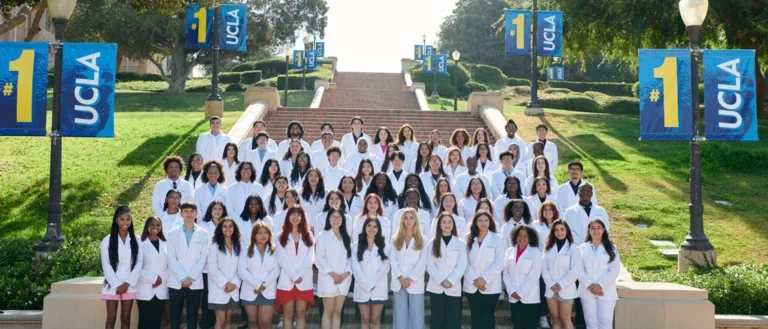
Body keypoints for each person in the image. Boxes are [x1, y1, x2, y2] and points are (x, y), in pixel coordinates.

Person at [167, 202, 209, 329]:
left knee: (193, 317)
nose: (189, 214)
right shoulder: (172, 233)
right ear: (181, 214)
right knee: (174, 317)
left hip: (194, 281)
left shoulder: (204, 233)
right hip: (176, 281)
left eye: (192, 211)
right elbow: (171, 257)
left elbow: (203, 258)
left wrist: (190, 277)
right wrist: (182, 277)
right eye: (186, 211)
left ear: (196, 213)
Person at [101, 205, 142, 329]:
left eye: (128, 219)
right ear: (116, 220)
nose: (125, 222)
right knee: (111, 317)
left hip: (129, 284)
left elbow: (139, 263)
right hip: (112, 284)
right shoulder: (107, 240)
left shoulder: (137, 239)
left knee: (125, 317)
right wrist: (117, 284)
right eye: (122, 219)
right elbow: (106, 263)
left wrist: (127, 283)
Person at [274, 206, 315, 329]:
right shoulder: (280, 235)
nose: (295, 217)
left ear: (303, 217)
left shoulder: (309, 235)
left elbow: (310, 257)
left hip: (304, 279)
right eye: (292, 214)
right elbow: (281, 258)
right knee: (288, 314)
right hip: (287, 280)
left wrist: (300, 275)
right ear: (287, 217)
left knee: (301, 314)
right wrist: (294, 275)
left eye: (298, 214)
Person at [463, 211, 505, 329]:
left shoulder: (497, 238)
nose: (483, 223)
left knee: (488, 318)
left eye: (486, 220)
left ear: (490, 222)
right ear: (475, 222)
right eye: (480, 220)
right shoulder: (468, 237)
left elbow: (500, 262)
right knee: (475, 317)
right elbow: (464, 261)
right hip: (472, 285)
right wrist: (475, 279)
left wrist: (484, 279)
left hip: (490, 285)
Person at [426, 212, 467, 329]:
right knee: (437, 320)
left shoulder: (460, 243)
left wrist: (451, 280)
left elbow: (461, 265)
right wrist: (441, 281)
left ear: (453, 225)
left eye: (450, 222)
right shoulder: (432, 243)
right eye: (444, 222)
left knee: (453, 321)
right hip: (436, 287)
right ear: (439, 225)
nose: (447, 225)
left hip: (453, 287)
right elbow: (430, 265)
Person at [315, 208, 353, 329]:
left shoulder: (346, 237)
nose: (336, 220)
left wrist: (345, 274)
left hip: (343, 279)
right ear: (328, 219)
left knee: (337, 312)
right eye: (333, 217)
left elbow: (350, 259)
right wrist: (333, 274)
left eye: (339, 217)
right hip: (328, 279)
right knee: (328, 312)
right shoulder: (323, 235)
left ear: (343, 220)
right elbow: (319, 258)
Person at [389, 208, 427, 329]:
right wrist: (401, 278)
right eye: (406, 218)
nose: (409, 221)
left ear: (416, 220)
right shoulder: (395, 239)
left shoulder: (423, 239)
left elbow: (423, 262)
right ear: (402, 220)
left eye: (411, 218)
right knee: (400, 315)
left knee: (416, 315)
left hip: (415, 282)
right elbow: (393, 260)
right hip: (399, 282)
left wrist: (410, 279)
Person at [579, 219, 620, 329]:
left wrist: (600, 285)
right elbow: (578, 269)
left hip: (605, 291)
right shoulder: (582, 248)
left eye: (598, 228)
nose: (595, 231)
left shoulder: (612, 248)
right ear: (589, 230)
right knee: (591, 324)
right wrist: (590, 285)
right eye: (592, 228)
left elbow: (614, 269)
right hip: (587, 290)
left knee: (605, 324)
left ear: (603, 230)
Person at [239, 222, 281, 329]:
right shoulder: (246, 250)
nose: (263, 236)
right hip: (250, 290)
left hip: (268, 290)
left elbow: (276, 270)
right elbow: (242, 270)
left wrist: (264, 285)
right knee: (252, 322)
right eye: (260, 233)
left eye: (266, 232)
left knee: (266, 322)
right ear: (254, 235)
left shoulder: (275, 250)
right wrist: (257, 285)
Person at [351, 217, 391, 329]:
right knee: (365, 319)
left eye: (375, 226)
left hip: (378, 287)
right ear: (364, 227)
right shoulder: (356, 246)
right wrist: (367, 284)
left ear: (378, 229)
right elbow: (355, 268)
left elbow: (386, 267)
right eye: (369, 225)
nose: (371, 229)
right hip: (362, 288)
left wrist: (373, 283)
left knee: (375, 319)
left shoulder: (385, 245)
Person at [542, 219, 582, 329]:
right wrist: (551, 284)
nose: (559, 233)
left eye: (562, 230)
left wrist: (561, 284)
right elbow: (543, 268)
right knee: (555, 318)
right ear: (553, 232)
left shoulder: (574, 248)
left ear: (567, 231)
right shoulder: (548, 248)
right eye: (556, 230)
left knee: (565, 318)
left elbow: (575, 270)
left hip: (566, 289)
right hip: (551, 289)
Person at [503, 224, 543, 329]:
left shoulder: (535, 252)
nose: (522, 238)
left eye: (525, 236)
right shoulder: (509, 251)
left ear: (530, 238)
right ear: (515, 237)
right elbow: (505, 273)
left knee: (529, 325)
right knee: (517, 324)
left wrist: (521, 292)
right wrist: (511, 291)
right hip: (514, 295)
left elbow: (534, 275)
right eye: (520, 235)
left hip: (529, 296)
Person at [207, 217, 242, 329]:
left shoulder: (239, 246)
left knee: (228, 321)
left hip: (233, 288)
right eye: (225, 226)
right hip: (219, 288)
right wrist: (226, 284)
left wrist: (234, 283)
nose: (228, 229)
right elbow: (212, 269)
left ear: (234, 228)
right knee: (220, 320)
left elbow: (241, 267)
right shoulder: (215, 247)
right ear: (220, 229)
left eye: (230, 226)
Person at [137, 216, 168, 329]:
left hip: (161, 289)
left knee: (156, 321)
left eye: (158, 225)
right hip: (145, 289)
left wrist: (162, 278)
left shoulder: (166, 244)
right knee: (144, 321)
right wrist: (154, 278)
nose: (155, 227)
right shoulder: (140, 244)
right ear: (147, 227)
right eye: (152, 225)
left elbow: (171, 266)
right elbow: (136, 269)